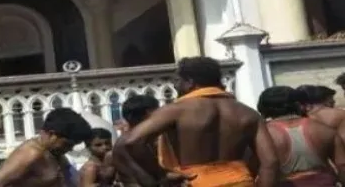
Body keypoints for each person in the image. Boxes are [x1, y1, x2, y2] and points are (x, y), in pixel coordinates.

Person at [113, 56, 279, 187]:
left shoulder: (176, 110)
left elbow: (131, 141)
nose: (175, 85)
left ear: (190, 82)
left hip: (194, 181)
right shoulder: (248, 113)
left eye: (178, 80)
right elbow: (270, 162)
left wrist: (162, 174)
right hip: (240, 180)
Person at [258, 86, 344, 186]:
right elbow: (344, 166)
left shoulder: (263, 134)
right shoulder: (323, 129)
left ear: (263, 108)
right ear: (298, 105)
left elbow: (255, 168)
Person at [0, 107, 92, 187]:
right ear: (51, 134)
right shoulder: (30, 154)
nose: (70, 149)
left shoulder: (54, 153)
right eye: (67, 144)